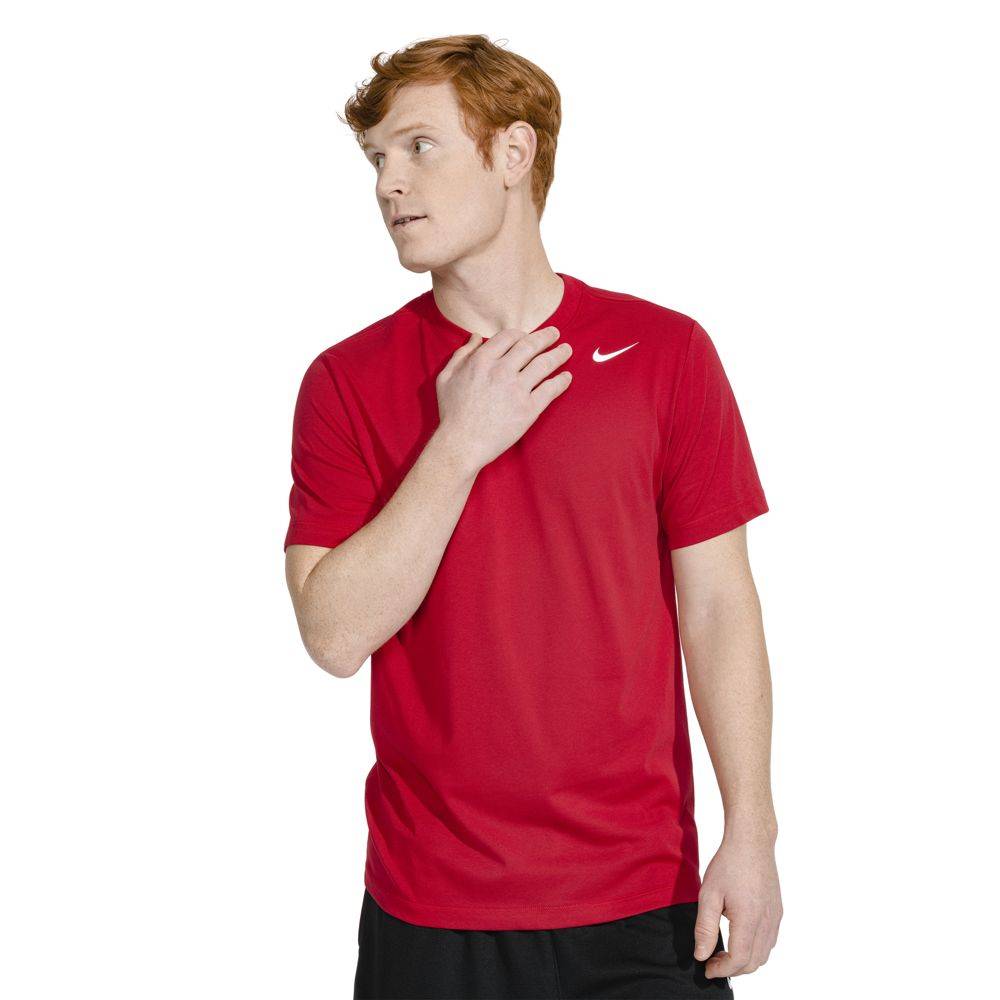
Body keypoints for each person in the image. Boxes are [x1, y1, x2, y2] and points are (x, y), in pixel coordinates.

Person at [283, 33, 782, 1000]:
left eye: (418, 146)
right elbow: (334, 636)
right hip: (432, 910)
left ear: (514, 153)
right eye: (376, 157)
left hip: (641, 897)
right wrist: (458, 445)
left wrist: (752, 833)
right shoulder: (344, 381)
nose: (388, 183)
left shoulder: (664, 354)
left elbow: (720, 608)